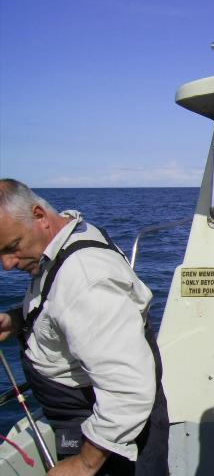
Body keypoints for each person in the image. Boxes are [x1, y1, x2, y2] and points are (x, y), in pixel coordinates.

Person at [0, 179, 168, 476]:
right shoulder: (68, 236)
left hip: (108, 441)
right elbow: (59, 308)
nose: (7, 264)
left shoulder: (84, 277)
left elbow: (127, 388)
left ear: (40, 216)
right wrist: (17, 320)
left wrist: (84, 463)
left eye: (13, 247)